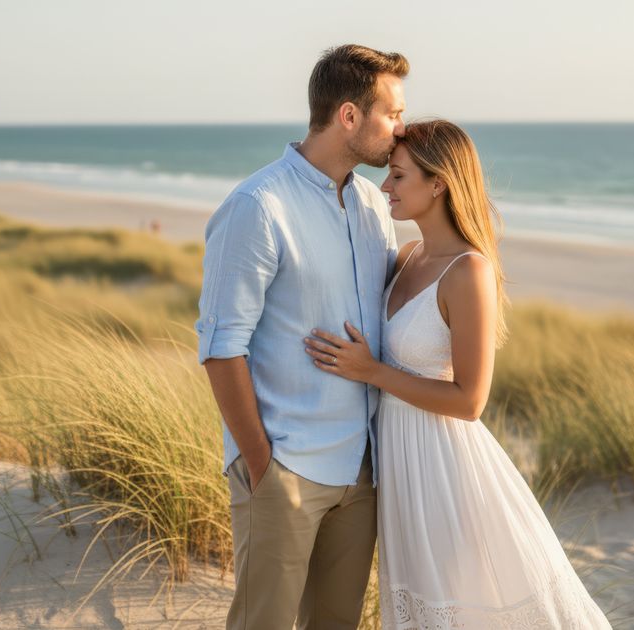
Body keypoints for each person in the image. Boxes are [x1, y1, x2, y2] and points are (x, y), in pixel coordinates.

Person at [304, 120, 612, 628]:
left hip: (444, 467)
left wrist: (373, 372)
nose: (385, 187)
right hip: (399, 464)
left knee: (460, 605)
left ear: (438, 183)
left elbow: (471, 400)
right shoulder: (406, 256)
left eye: (398, 177)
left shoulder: (468, 270)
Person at [194, 44, 407, 629]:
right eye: (392, 113)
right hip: (285, 466)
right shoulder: (257, 207)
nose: (400, 129)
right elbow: (219, 346)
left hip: (360, 469)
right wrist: (263, 466)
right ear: (348, 116)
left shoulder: (372, 205)